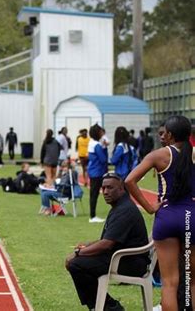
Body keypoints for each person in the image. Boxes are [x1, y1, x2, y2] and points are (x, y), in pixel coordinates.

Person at [125, 115, 195, 310]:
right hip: (192, 217)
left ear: (170, 135)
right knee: (193, 282)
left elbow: (129, 181)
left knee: (169, 283)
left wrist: (149, 208)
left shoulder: (159, 155)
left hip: (167, 216)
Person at [66, 173, 150, 310]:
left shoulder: (124, 210)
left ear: (122, 188)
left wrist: (78, 252)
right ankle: (103, 305)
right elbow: (108, 240)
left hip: (131, 263)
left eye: (110, 188)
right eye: (103, 188)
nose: (105, 192)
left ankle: (108, 307)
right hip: (121, 257)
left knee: (76, 264)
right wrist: (89, 245)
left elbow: (106, 244)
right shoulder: (120, 206)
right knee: (78, 263)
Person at [87, 124, 107, 223]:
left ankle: (92, 215)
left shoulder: (91, 143)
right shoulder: (97, 145)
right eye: (100, 132)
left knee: (93, 194)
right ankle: (92, 216)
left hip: (93, 170)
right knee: (95, 194)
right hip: (97, 172)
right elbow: (103, 159)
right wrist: (104, 147)